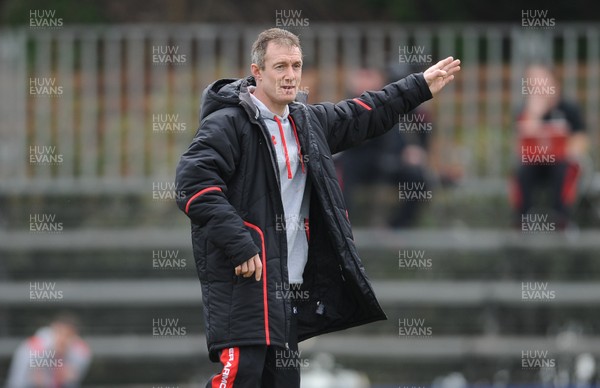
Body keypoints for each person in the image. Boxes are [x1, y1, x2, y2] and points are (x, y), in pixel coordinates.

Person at [175, 27, 460, 387]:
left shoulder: (306, 121)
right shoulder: (227, 123)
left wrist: (417, 87)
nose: (290, 75)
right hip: (243, 285)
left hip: (289, 288)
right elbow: (193, 185)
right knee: (240, 379)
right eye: (280, 66)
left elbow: (363, 113)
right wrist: (240, 244)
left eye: (296, 65)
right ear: (257, 71)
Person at [511, 63, 588, 229]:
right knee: (523, 170)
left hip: (561, 163)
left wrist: (562, 150)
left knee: (562, 168)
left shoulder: (569, 109)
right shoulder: (525, 110)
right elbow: (520, 142)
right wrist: (535, 114)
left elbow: (580, 140)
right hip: (534, 163)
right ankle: (523, 220)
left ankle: (561, 220)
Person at [5, 314, 91, 388]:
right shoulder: (38, 345)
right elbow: (37, 379)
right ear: (53, 330)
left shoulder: (80, 351)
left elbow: (72, 377)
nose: (62, 339)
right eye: (59, 333)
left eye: (68, 335)